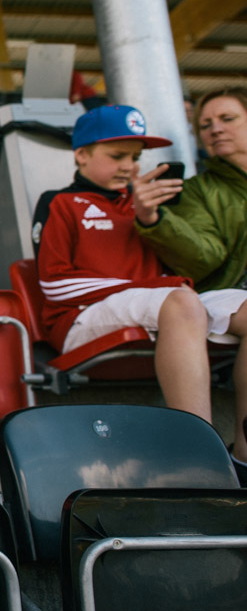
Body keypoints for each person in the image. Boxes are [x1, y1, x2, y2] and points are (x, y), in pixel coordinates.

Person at [32, 104, 246, 469]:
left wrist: (154, 219)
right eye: (117, 156)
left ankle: (243, 457)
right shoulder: (60, 202)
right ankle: (199, 459)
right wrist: (154, 286)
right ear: (81, 155)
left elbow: (182, 266)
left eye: (135, 157)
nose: (129, 166)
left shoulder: (146, 204)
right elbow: (56, 287)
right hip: (79, 318)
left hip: (159, 304)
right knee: (180, 301)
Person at [131, 88, 247, 479]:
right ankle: (241, 459)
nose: (215, 129)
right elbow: (204, 257)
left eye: (227, 119)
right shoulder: (199, 190)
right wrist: (154, 220)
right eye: (206, 124)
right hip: (220, 293)